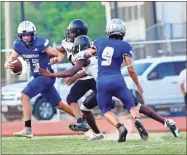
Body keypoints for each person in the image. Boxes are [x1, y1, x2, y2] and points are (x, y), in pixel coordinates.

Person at [4, 21, 75, 138]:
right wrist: (7, 64)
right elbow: (10, 59)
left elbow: (60, 55)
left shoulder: (41, 43)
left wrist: (56, 60)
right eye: (24, 35)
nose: (26, 37)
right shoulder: (18, 45)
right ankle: (83, 119)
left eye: (29, 35)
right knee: (59, 105)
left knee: (24, 96)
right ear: (20, 36)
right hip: (38, 77)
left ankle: (27, 129)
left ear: (33, 34)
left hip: (46, 76)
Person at [56, 19, 104, 140]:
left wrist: (75, 76)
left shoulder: (88, 46)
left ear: (77, 33)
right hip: (83, 79)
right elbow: (60, 50)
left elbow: (90, 67)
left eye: (71, 32)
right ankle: (81, 121)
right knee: (71, 98)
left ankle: (120, 125)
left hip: (92, 77)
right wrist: (53, 56)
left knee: (106, 104)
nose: (69, 34)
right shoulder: (67, 43)